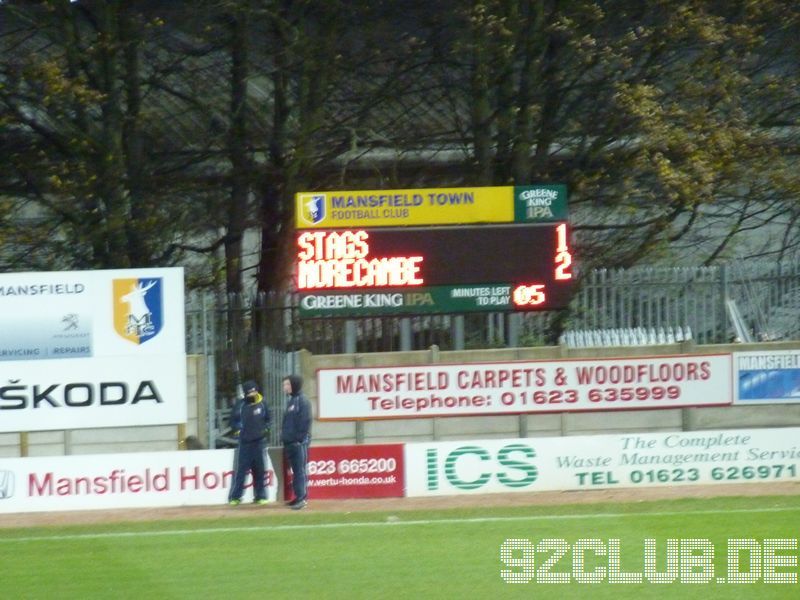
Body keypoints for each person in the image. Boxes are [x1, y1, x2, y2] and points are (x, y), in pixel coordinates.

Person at [228, 379, 272, 506]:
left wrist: (266, 430)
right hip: (245, 444)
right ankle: (235, 497)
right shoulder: (240, 405)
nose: (252, 394)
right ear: (246, 393)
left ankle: (261, 496)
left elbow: (268, 419)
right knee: (241, 471)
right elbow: (233, 422)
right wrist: (238, 432)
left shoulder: (263, 403)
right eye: (249, 392)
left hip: (259, 443)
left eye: (254, 391)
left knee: (260, 470)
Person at [281, 374, 311, 510]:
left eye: (287, 384)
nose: (284, 387)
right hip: (290, 443)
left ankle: (302, 499)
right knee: (296, 471)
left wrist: (298, 439)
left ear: (294, 384)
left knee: (300, 471)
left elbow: (305, 421)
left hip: (298, 443)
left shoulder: (302, 400)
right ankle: (298, 496)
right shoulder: (292, 400)